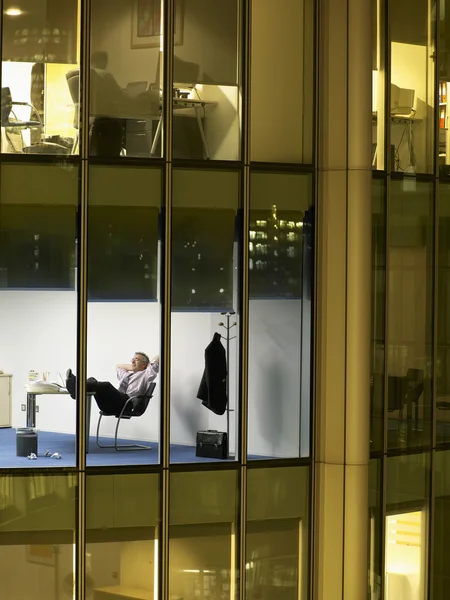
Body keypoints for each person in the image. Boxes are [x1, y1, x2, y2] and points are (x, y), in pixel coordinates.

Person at [66, 352, 159, 415]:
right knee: (91, 379)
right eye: (132, 359)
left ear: (144, 364)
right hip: (111, 404)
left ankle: (76, 385)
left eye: (137, 359)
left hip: (126, 404)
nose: (132, 361)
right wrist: (132, 367)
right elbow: (118, 366)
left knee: (105, 385)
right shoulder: (126, 375)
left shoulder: (146, 374)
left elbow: (156, 361)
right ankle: (77, 387)